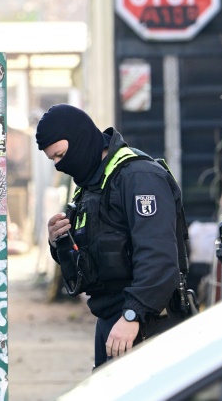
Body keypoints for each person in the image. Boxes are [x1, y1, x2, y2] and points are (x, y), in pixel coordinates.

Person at [36, 104, 192, 369]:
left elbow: (159, 259)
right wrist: (59, 241)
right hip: (112, 323)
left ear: (81, 138)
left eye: (61, 154)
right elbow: (86, 265)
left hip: (146, 323)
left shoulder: (140, 178)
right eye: (53, 160)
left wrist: (133, 315)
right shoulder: (91, 186)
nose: (60, 165)